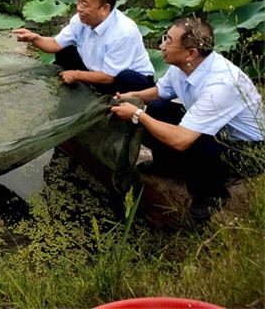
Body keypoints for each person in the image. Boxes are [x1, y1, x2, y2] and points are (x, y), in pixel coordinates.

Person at [111, 18, 264, 220]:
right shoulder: (183, 65)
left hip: (246, 150)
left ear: (190, 53)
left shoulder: (220, 84)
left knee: (197, 139)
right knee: (159, 108)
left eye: (168, 41)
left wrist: (137, 114)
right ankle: (167, 167)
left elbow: (181, 140)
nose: (161, 45)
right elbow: (160, 91)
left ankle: (210, 194)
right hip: (218, 131)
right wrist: (132, 96)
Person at [13, 0, 154, 95]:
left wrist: (76, 74)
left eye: (85, 4)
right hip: (96, 71)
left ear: (105, 9)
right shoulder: (80, 20)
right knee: (65, 52)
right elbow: (55, 44)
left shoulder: (123, 32)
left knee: (126, 78)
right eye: (78, 1)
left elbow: (109, 76)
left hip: (128, 81)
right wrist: (34, 38)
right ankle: (86, 93)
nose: (79, 8)